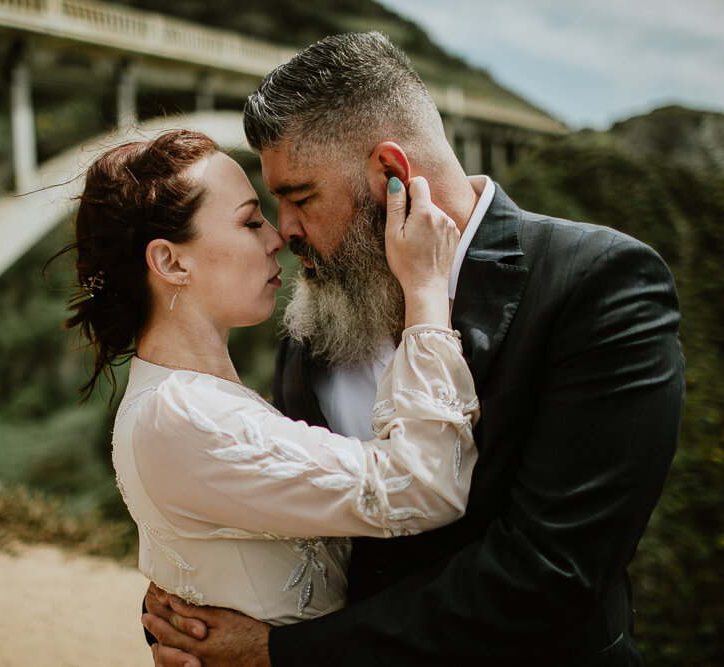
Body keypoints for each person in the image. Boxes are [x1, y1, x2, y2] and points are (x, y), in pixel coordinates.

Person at [142, 32, 685, 665]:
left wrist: (284, 654)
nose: (284, 231)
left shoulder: (599, 284)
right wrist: (188, 625)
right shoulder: (316, 318)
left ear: (393, 175)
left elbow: (553, 575)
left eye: (300, 198)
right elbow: (287, 523)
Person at [57, 129, 483, 629]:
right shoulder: (184, 415)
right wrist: (427, 290)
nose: (276, 236)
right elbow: (422, 487)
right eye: (250, 220)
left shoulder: (188, 402)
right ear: (171, 262)